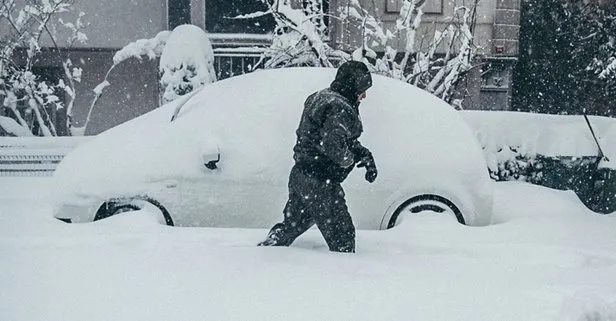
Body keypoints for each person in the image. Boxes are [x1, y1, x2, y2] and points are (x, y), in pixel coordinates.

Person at [257, 61, 378, 253]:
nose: (364, 95)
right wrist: (350, 160)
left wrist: (364, 153)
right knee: (343, 238)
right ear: (352, 85)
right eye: (362, 89)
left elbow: (330, 136)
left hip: (302, 175)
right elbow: (334, 146)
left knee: (292, 226)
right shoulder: (340, 107)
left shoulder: (322, 97)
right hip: (320, 182)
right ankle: (345, 279)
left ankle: (262, 255)